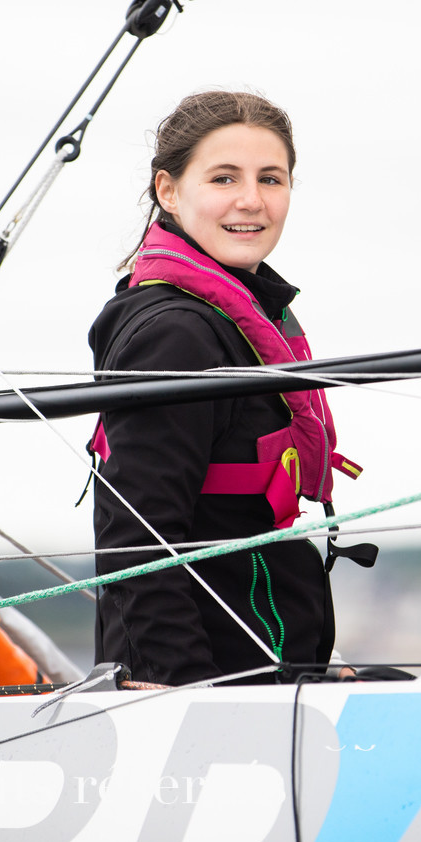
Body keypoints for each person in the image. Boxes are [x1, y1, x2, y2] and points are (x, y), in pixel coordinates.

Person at [86, 91, 361, 686]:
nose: (251, 200)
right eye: (224, 178)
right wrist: (185, 689)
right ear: (168, 190)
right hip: (208, 678)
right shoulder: (177, 334)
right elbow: (136, 537)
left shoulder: (246, 311)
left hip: (267, 656)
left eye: (271, 179)